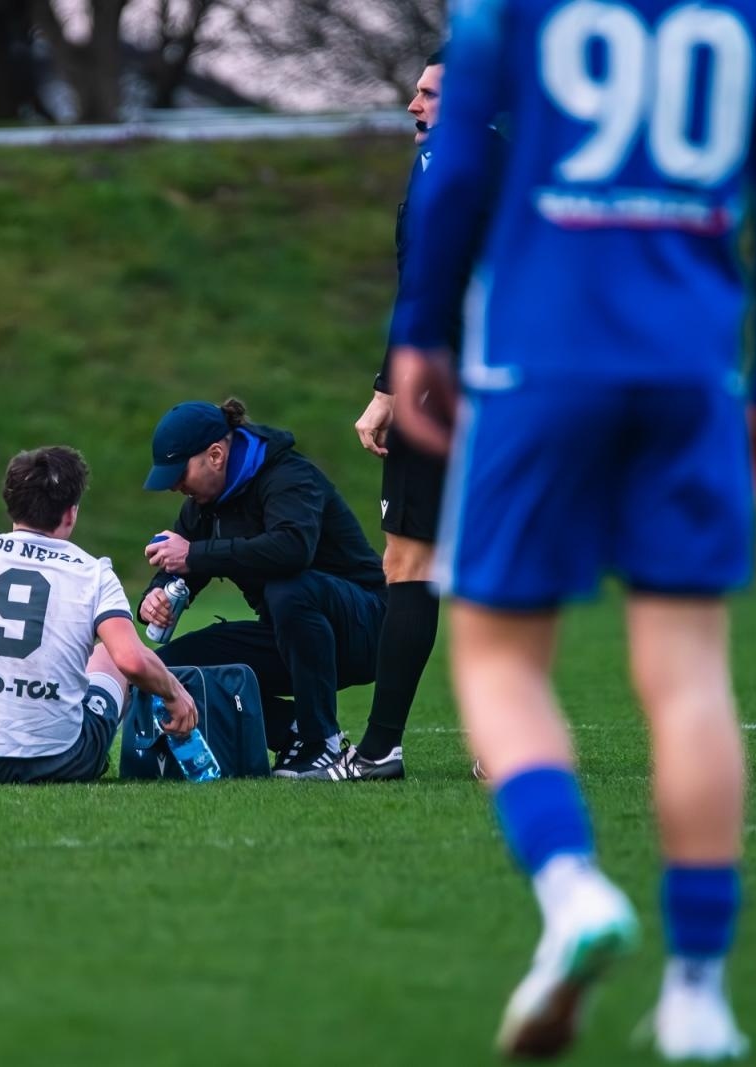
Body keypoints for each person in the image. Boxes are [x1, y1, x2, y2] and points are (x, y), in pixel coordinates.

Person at [388, 0, 756, 1056]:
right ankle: (698, 994)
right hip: (690, 369)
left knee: (494, 656)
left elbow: (455, 171)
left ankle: (573, 889)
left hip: (538, 361)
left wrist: (417, 332)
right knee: (686, 672)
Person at [0, 447, 197, 784]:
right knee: (106, 654)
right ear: (70, 514)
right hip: (68, 763)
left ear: (11, 504)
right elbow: (130, 660)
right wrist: (174, 693)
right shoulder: (93, 572)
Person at [139, 399, 387, 778]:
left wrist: (195, 554)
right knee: (168, 668)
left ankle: (322, 741)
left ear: (216, 455)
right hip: (290, 633)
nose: (174, 485)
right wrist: (157, 595)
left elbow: (291, 550)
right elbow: (184, 559)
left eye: (178, 473)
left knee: (289, 589)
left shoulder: (288, 476)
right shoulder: (203, 502)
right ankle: (291, 731)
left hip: (364, 628)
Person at [340, 50, 449, 782]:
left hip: (438, 390)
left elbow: (425, 289)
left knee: (408, 562)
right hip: (512, 392)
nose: (414, 107)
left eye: (431, 94)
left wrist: (388, 387)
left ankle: (379, 748)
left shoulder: (446, 159)